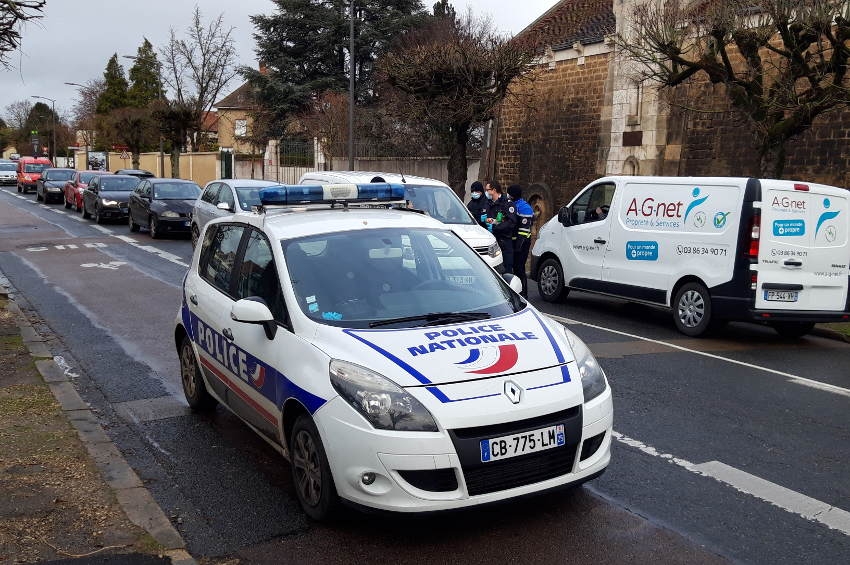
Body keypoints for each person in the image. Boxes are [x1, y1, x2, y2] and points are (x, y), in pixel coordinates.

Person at [483, 180, 517, 274]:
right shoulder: (487, 203)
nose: (486, 192)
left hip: (504, 241)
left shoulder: (507, 204)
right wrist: (484, 220)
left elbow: (511, 222)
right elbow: (483, 216)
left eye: (487, 190)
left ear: (494, 190)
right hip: (491, 241)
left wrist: (495, 227)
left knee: (506, 270)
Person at [507, 184, 534, 297]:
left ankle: (523, 295)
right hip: (514, 242)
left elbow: (523, 230)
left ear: (513, 194)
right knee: (514, 268)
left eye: (509, 193)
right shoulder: (514, 204)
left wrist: (518, 246)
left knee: (519, 268)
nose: (507, 195)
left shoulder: (525, 208)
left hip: (522, 243)